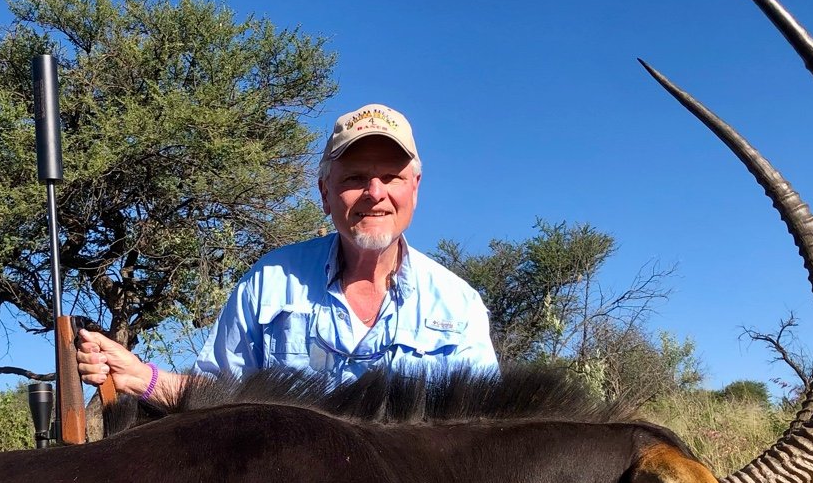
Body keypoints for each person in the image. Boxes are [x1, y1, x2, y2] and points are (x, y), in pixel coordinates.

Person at [76, 103, 498, 406]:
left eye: (390, 176)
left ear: (415, 188)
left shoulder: (459, 306)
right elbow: (216, 400)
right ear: (325, 194)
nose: (374, 193)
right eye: (354, 177)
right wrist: (143, 378)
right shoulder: (270, 282)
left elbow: (482, 438)